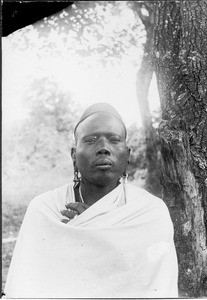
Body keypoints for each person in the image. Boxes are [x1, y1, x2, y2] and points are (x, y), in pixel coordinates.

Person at [4, 102, 178, 298]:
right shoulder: (45, 208)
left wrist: (88, 231)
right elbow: (30, 285)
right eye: (90, 140)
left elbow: (155, 286)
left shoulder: (150, 211)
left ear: (127, 155)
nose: (103, 148)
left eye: (114, 140)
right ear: (73, 156)